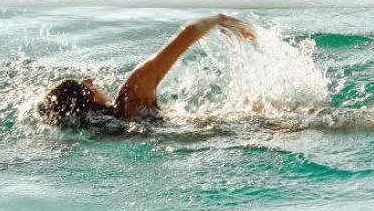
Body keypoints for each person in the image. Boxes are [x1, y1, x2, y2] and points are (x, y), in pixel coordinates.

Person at [39, 13, 255, 127]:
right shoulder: (131, 96)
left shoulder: (107, 130)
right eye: (84, 84)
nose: (89, 79)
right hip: (234, 129)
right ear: (89, 97)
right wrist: (219, 20)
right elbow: (183, 38)